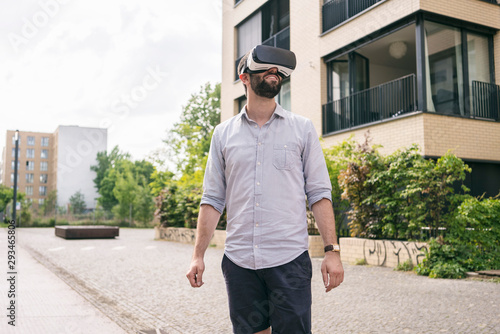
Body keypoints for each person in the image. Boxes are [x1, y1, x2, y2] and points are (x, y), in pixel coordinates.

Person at [186, 45, 344, 334]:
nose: (274, 74)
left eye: (278, 71)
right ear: (244, 77)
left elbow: (320, 194)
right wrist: (198, 255)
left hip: (289, 260)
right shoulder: (223, 134)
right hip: (239, 261)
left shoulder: (302, 129)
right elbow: (212, 199)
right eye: (267, 69)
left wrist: (332, 251)